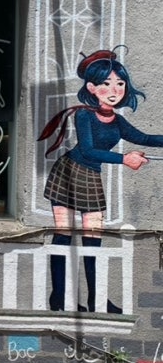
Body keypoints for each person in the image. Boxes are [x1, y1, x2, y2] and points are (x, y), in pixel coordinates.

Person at [38, 48, 163, 313]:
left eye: (120, 83)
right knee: (64, 236)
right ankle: (59, 298)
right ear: (92, 88)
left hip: (91, 178)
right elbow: (87, 150)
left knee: (93, 240)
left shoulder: (117, 121)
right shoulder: (84, 115)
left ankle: (97, 298)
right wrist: (124, 159)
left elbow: (144, 138)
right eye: (106, 83)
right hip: (69, 172)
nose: (114, 89)